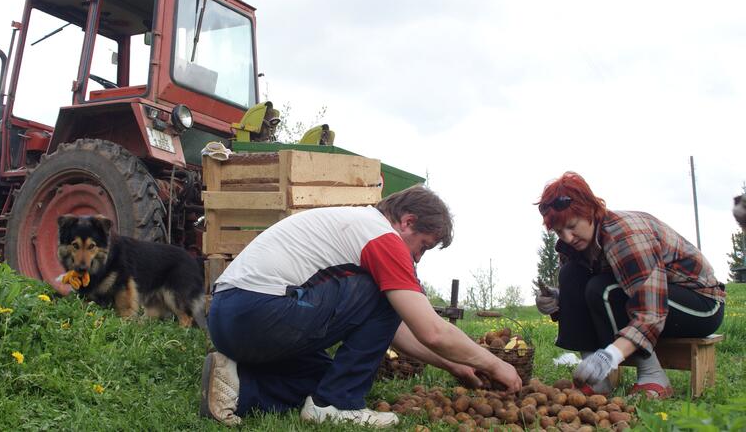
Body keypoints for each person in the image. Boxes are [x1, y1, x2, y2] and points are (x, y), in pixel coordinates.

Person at [201, 185, 522, 427]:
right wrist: (496, 365)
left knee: (327, 377)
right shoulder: (382, 237)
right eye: (423, 246)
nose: (418, 258)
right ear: (408, 222)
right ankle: (337, 405)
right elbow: (431, 331)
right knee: (378, 305)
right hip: (257, 311)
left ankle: (241, 386)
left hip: (234, 316)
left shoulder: (359, 225)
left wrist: (453, 365)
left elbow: (396, 330)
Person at [535, 172, 726, 398]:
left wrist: (610, 356)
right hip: (646, 299)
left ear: (589, 210)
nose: (567, 237)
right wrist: (559, 299)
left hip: (701, 304)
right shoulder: (574, 247)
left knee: (603, 289)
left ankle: (653, 376)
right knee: (571, 275)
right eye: (559, 231)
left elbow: (651, 311)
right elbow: (580, 292)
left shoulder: (626, 235)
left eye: (572, 226)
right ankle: (596, 381)